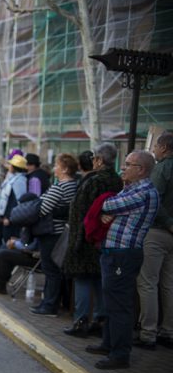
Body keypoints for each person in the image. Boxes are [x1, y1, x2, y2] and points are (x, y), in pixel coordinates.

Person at [86, 150, 159, 370]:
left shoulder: (145, 192)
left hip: (123, 255)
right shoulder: (131, 189)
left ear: (141, 170)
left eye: (128, 164)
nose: (122, 168)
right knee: (112, 302)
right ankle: (109, 344)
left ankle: (120, 354)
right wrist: (105, 211)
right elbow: (109, 205)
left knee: (119, 305)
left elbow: (107, 205)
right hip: (114, 253)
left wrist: (106, 209)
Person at [62, 144, 123, 336]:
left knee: (82, 278)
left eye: (94, 158)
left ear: (99, 160)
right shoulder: (118, 181)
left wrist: (76, 241)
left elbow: (80, 211)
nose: (93, 161)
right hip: (106, 237)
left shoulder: (93, 181)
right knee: (99, 278)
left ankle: (81, 321)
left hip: (86, 237)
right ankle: (100, 320)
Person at [135, 132, 173, 349]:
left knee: (148, 283)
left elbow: (153, 200)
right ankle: (168, 331)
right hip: (169, 236)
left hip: (157, 232)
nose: (155, 150)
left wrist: (169, 223)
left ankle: (147, 333)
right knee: (169, 284)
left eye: (156, 146)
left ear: (164, 147)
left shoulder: (162, 169)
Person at [29, 153, 79, 316]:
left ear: (65, 169)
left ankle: (49, 305)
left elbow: (42, 209)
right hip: (62, 232)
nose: (54, 168)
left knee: (50, 270)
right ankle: (48, 303)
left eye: (57, 165)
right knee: (55, 270)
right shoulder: (74, 186)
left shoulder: (60, 187)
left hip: (51, 233)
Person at [0, 154, 28, 249]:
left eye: (11, 165)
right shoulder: (12, 178)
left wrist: (9, 218)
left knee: (8, 241)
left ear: (14, 167)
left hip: (10, 218)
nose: (9, 166)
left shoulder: (20, 181)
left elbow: (17, 201)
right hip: (4, 216)